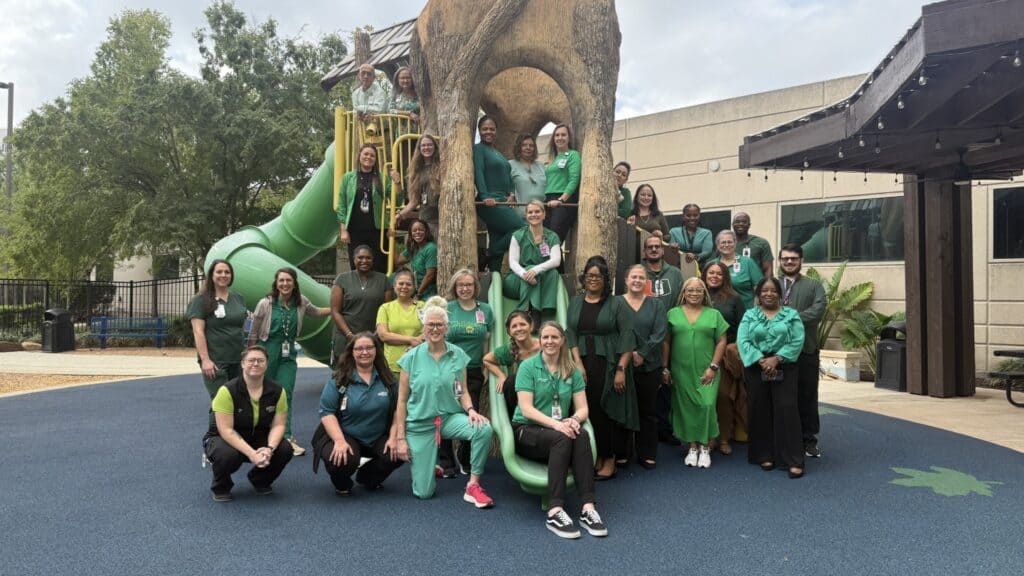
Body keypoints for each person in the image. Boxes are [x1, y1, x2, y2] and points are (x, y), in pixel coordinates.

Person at [392, 297, 496, 506]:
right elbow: (402, 402)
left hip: (448, 418)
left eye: (439, 324)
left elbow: (462, 390)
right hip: (420, 424)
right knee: (424, 493)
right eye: (430, 324)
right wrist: (400, 438)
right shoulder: (410, 358)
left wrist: (471, 410)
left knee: (483, 429)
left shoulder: (458, 355)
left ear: (447, 328)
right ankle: (430, 466)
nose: (435, 328)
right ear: (424, 327)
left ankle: (473, 485)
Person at [514, 322, 608, 539]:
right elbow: (526, 409)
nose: (549, 342)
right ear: (539, 340)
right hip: (527, 430)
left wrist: (574, 419)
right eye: (545, 337)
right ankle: (555, 510)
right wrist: (558, 425)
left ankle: (588, 508)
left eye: (554, 337)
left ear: (562, 340)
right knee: (562, 437)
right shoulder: (528, 367)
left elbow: (583, 408)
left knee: (581, 434)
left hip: (559, 429)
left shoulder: (571, 369)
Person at [248, 267, 331, 456]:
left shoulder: (300, 302)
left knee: (285, 393)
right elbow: (253, 331)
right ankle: (259, 437)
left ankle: (286, 437)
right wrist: (251, 356)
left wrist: (336, 308)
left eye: (289, 280)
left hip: (288, 353)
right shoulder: (265, 304)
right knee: (261, 394)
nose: (285, 284)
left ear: (294, 283)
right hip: (265, 351)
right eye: (281, 280)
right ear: (276, 283)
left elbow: (316, 312)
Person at [567, 255, 636, 479]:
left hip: (609, 363)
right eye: (589, 275)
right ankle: (596, 454)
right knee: (588, 410)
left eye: (598, 276)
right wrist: (578, 363)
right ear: (583, 278)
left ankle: (610, 459)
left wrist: (621, 370)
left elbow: (627, 337)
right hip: (583, 362)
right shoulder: (576, 301)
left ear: (606, 279)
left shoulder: (617, 304)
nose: (593, 279)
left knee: (606, 410)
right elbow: (571, 334)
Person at [311, 332, 403, 495]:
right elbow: (327, 412)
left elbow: (398, 409)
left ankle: (367, 478)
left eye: (369, 348)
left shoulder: (387, 378)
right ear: (351, 352)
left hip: (377, 435)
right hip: (346, 434)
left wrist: (394, 437)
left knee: (397, 453)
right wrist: (339, 441)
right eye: (359, 348)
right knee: (341, 460)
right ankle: (342, 483)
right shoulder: (339, 380)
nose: (365, 352)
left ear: (376, 350)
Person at [203, 346, 294, 502]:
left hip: (258, 435)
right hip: (225, 438)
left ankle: (260, 479)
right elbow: (226, 430)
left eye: (260, 360)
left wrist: (269, 449)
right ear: (243, 364)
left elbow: (279, 425)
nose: (256, 364)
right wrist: (252, 454)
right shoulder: (227, 391)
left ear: (266, 365)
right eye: (251, 360)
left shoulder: (278, 391)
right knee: (227, 455)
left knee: (285, 449)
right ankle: (221, 486)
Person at [737, 277, 806, 479]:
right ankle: (763, 454)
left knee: (787, 410)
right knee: (760, 410)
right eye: (764, 291)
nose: (768, 294)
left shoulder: (791, 315)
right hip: (756, 368)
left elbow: (797, 340)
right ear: (758, 294)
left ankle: (793, 460)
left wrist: (776, 359)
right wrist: (761, 360)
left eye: (773, 290)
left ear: (780, 294)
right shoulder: (750, 315)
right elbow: (743, 340)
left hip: (785, 367)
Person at [662, 277, 728, 469]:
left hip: (708, 370)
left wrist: (713, 367)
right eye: (690, 290)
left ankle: (706, 447)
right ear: (683, 293)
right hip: (681, 371)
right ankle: (692, 447)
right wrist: (664, 367)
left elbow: (722, 341)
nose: (694, 293)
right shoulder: (672, 314)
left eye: (698, 290)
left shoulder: (714, 314)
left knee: (707, 405)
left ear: (704, 293)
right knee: (686, 408)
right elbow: (666, 341)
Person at [778, 244, 827, 459]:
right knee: (781, 397)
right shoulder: (772, 285)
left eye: (794, 259)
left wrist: (790, 318)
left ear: (801, 260)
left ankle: (809, 440)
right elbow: (761, 309)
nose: (789, 262)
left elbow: (817, 311)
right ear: (779, 261)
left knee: (807, 396)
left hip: (806, 350)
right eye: (785, 259)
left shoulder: (814, 285)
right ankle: (782, 438)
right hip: (777, 352)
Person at [444, 269, 495, 473]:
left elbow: (487, 340)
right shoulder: (447, 308)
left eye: (469, 285)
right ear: (455, 288)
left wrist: (486, 366)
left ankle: (465, 457)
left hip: (473, 370)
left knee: (471, 413)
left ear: (475, 287)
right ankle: (446, 461)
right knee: (445, 411)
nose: (465, 288)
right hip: (448, 369)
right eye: (460, 285)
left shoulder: (485, 310)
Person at [189, 259, 247, 422]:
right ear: (211, 275)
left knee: (239, 401)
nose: (223, 275)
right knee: (221, 401)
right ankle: (214, 440)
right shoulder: (201, 300)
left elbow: (240, 328)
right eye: (219, 272)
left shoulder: (238, 298)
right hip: (216, 361)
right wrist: (206, 359)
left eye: (227, 272)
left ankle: (235, 439)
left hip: (238, 359)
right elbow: (198, 331)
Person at [640, 235, 685, 446]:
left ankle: (666, 428)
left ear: (663, 250)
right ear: (645, 251)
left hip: (671, 334)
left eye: (658, 247)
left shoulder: (675, 274)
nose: (654, 250)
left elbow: (681, 300)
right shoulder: (638, 273)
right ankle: (647, 428)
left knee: (667, 380)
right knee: (647, 380)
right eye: (650, 247)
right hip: (644, 335)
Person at [621, 264, 667, 469]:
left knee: (647, 411)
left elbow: (660, 332)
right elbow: (614, 330)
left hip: (650, 366)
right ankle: (623, 452)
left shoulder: (656, 305)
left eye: (641, 277)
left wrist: (643, 353)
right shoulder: (616, 303)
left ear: (646, 282)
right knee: (622, 409)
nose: (637, 281)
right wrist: (629, 353)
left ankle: (647, 452)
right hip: (623, 364)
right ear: (626, 280)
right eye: (633, 277)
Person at [703, 262, 748, 455]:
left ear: (725, 277)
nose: (714, 276)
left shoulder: (733, 298)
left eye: (719, 274)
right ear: (704, 274)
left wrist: (735, 349)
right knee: (704, 398)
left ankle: (723, 438)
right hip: (700, 353)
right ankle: (705, 437)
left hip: (724, 355)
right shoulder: (697, 294)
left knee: (722, 397)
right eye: (711, 272)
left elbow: (743, 327)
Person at [474, 115, 526, 272]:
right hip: (489, 202)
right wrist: (484, 196)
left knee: (497, 238)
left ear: (496, 131)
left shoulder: (497, 152)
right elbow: (479, 172)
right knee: (523, 229)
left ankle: (493, 282)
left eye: (491, 129)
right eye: (485, 129)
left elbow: (508, 175)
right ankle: (490, 252)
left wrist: (511, 193)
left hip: (503, 201)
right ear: (479, 131)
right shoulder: (478, 149)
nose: (488, 132)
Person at [504, 200, 562, 325]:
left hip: (539, 279)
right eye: (530, 212)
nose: (533, 214)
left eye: (537, 211)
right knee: (530, 268)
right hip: (516, 281)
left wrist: (535, 270)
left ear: (544, 214)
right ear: (526, 215)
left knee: (553, 273)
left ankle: (544, 310)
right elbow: (513, 262)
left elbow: (556, 260)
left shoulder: (552, 236)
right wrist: (526, 274)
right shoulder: (517, 235)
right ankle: (530, 311)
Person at [330, 245, 390, 365]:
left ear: (373, 260)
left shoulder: (383, 280)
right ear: (354, 259)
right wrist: (349, 335)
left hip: (374, 339)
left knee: (373, 375)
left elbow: (388, 310)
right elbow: (335, 311)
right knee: (345, 377)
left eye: (368, 258)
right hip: (346, 338)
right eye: (360, 257)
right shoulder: (342, 279)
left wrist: (376, 335)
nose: (364, 261)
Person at [338, 143, 390, 273]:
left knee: (379, 264)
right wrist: (344, 230)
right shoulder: (348, 178)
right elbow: (342, 205)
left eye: (372, 155)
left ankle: (379, 292)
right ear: (359, 156)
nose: (369, 157)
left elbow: (397, 199)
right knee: (357, 264)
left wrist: (397, 183)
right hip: (355, 230)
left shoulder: (382, 178)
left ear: (376, 159)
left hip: (377, 229)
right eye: (366, 154)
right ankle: (358, 292)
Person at [483, 310, 541, 420]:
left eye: (523, 324)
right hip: (522, 398)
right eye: (514, 326)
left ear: (531, 326)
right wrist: (501, 375)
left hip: (544, 391)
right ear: (509, 332)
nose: (519, 328)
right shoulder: (509, 351)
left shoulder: (543, 345)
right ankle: (514, 420)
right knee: (511, 381)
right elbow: (486, 360)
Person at [375, 269, 425, 374]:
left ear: (414, 287)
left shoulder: (422, 306)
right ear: (394, 286)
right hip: (393, 366)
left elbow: (428, 331)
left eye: (408, 284)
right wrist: (411, 340)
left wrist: (413, 344)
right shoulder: (385, 308)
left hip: (419, 364)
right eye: (401, 283)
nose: (404, 287)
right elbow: (383, 335)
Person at [394, 134, 441, 235]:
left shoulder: (442, 166)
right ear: (419, 149)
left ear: (435, 147)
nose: (426, 148)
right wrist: (400, 214)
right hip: (425, 220)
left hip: (441, 220)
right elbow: (414, 201)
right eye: (423, 145)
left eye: (430, 145)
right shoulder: (416, 170)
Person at [544, 124, 582, 242]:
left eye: (563, 135)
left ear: (569, 138)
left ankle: (553, 259)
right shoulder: (553, 159)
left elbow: (574, 179)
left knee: (554, 239)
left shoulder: (573, 155)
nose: (560, 137)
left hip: (563, 201)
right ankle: (553, 261)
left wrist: (561, 200)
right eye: (557, 135)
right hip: (548, 201)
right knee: (544, 241)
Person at [707, 230, 763, 309]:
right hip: (718, 313)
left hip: (746, 313)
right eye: (723, 242)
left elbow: (760, 289)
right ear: (717, 245)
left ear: (735, 243)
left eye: (730, 242)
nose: (726, 245)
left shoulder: (747, 262)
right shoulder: (712, 265)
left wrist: (756, 311)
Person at [394, 219, 437, 299]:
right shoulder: (414, 248)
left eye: (420, 230)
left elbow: (430, 275)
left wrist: (418, 294)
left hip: (427, 291)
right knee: (393, 277)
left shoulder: (431, 248)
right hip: (416, 289)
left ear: (426, 231)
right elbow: (398, 261)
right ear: (411, 234)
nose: (417, 232)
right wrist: (392, 239)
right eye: (414, 230)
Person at [509, 134, 547, 218]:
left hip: (541, 214)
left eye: (531, 145)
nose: (528, 148)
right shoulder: (510, 165)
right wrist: (510, 195)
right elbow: (505, 186)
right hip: (521, 214)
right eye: (524, 145)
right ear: (518, 147)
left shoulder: (541, 166)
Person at [669, 203, 714, 268]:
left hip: (700, 267)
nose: (692, 218)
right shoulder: (674, 232)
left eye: (695, 215)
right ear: (683, 217)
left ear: (699, 216)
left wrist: (696, 256)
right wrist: (673, 248)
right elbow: (670, 252)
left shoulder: (706, 233)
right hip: (678, 267)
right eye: (688, 215)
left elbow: (707, 252)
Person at [731, 212, 774, 278]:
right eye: (737, 222)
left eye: (744, 222)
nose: (741, 224)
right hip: (731, 285)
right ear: (733, 224)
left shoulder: (761, 243)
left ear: (749, 225)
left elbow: (768, 269)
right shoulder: (725, 244)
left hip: (755, 284)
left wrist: (768, 286)